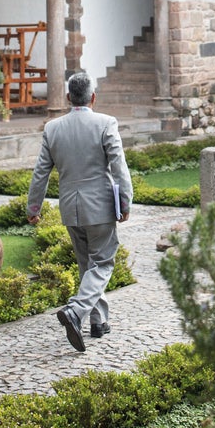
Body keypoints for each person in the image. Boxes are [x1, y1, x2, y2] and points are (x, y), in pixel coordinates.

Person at [27, 71, 132, 352]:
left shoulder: (52, 128)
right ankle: (76, 311)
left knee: (88, 264)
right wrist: (125, 202)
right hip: (99, 206)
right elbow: (119, 168)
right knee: (103, 263)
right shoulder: (106, 123)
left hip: (70, 207)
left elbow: (41, 173)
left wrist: (33, 206)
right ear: (93, 97)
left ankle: (98, 322)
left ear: (68, 97)